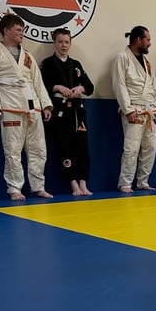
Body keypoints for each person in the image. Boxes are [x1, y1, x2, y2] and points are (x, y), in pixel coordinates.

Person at [0, 14, 53, 201]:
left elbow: (38, 82)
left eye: (23, 30)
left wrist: (46, 105)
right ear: (6, 31)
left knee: (38, 149)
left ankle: (38, 186)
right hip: (9, 106)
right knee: (12, 150)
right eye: (19, 30)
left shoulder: (27, 55)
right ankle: (14, 188)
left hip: (32, 106)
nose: (22, 33)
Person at [40, 28, 94, 196]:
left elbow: (90, 87)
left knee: (83, 147)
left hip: (78, 111)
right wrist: (57, 87)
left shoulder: (76, 64)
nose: (63, 45)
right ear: (54, 43)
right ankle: (73, 184)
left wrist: (81, 88)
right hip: (59, 111)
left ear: (70, 44)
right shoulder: (47, 64)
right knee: (64, 147)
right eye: (60, 42)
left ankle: (83, 183)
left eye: (66, 42)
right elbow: (41, 86)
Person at [112, 26, 156, 193]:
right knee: (131, 148)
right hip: (134, 109)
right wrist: (127, 109)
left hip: (150, 110)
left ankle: (143, 181)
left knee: (150, 148)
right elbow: (119, 84)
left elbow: (154, 85)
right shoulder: (122, 58)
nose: (149, 43)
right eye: (147, 39)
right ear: (138, 40)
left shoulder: (147, 62)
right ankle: (125, 183)